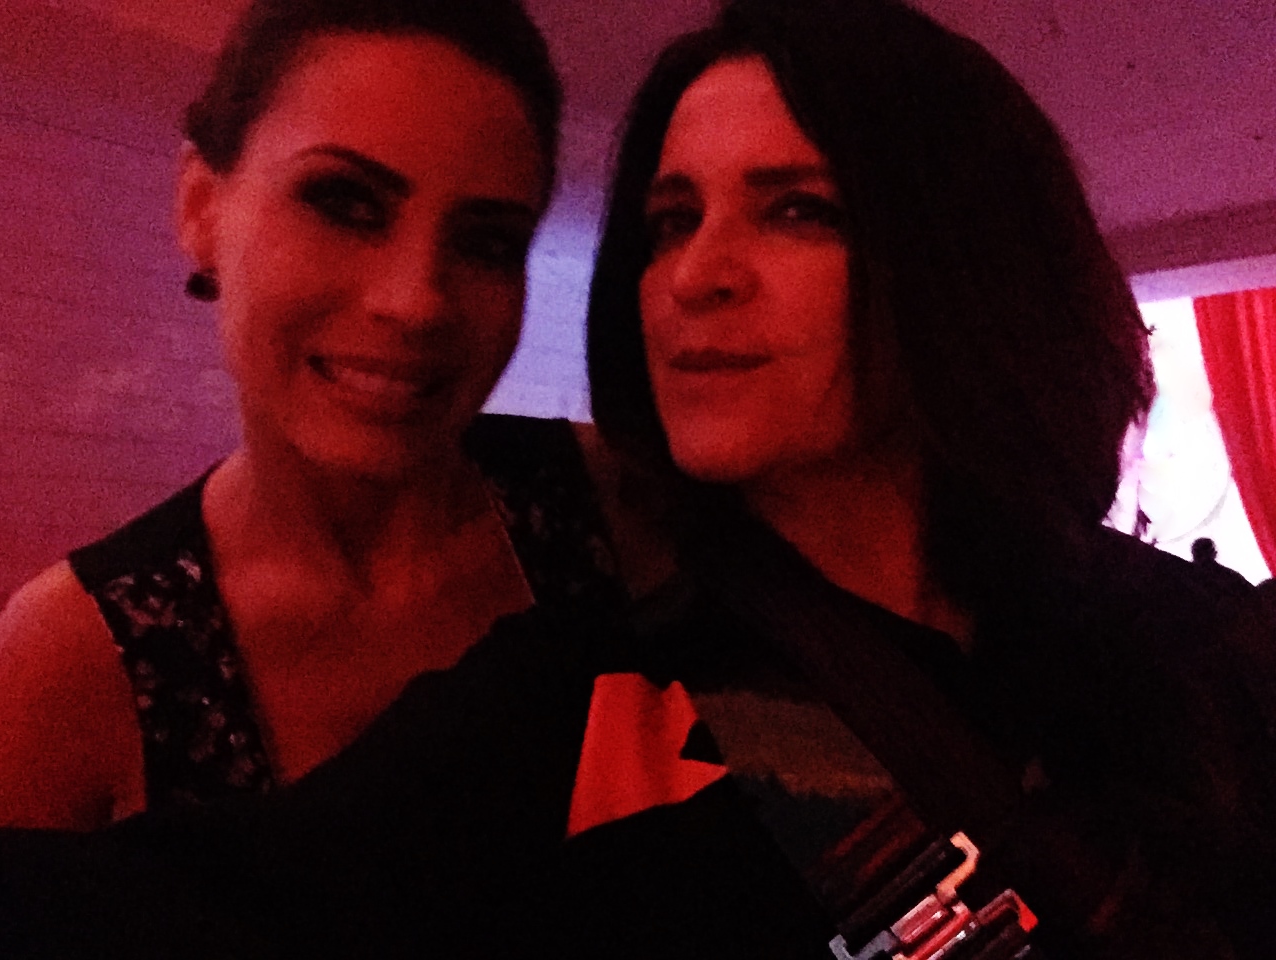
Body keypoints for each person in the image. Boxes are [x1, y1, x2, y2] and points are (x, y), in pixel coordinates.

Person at [538, 0, 1276, 956]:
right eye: (671, 222)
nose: (694, 275)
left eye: (798, 210)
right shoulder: (570, 705)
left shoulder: (1202, 644)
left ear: (966, 260)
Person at [0, 0, 636, 833]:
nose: (416, 302)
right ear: (201, 207)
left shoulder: (614, 507)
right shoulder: (74, 661)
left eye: (486, 241)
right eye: (344, 202)